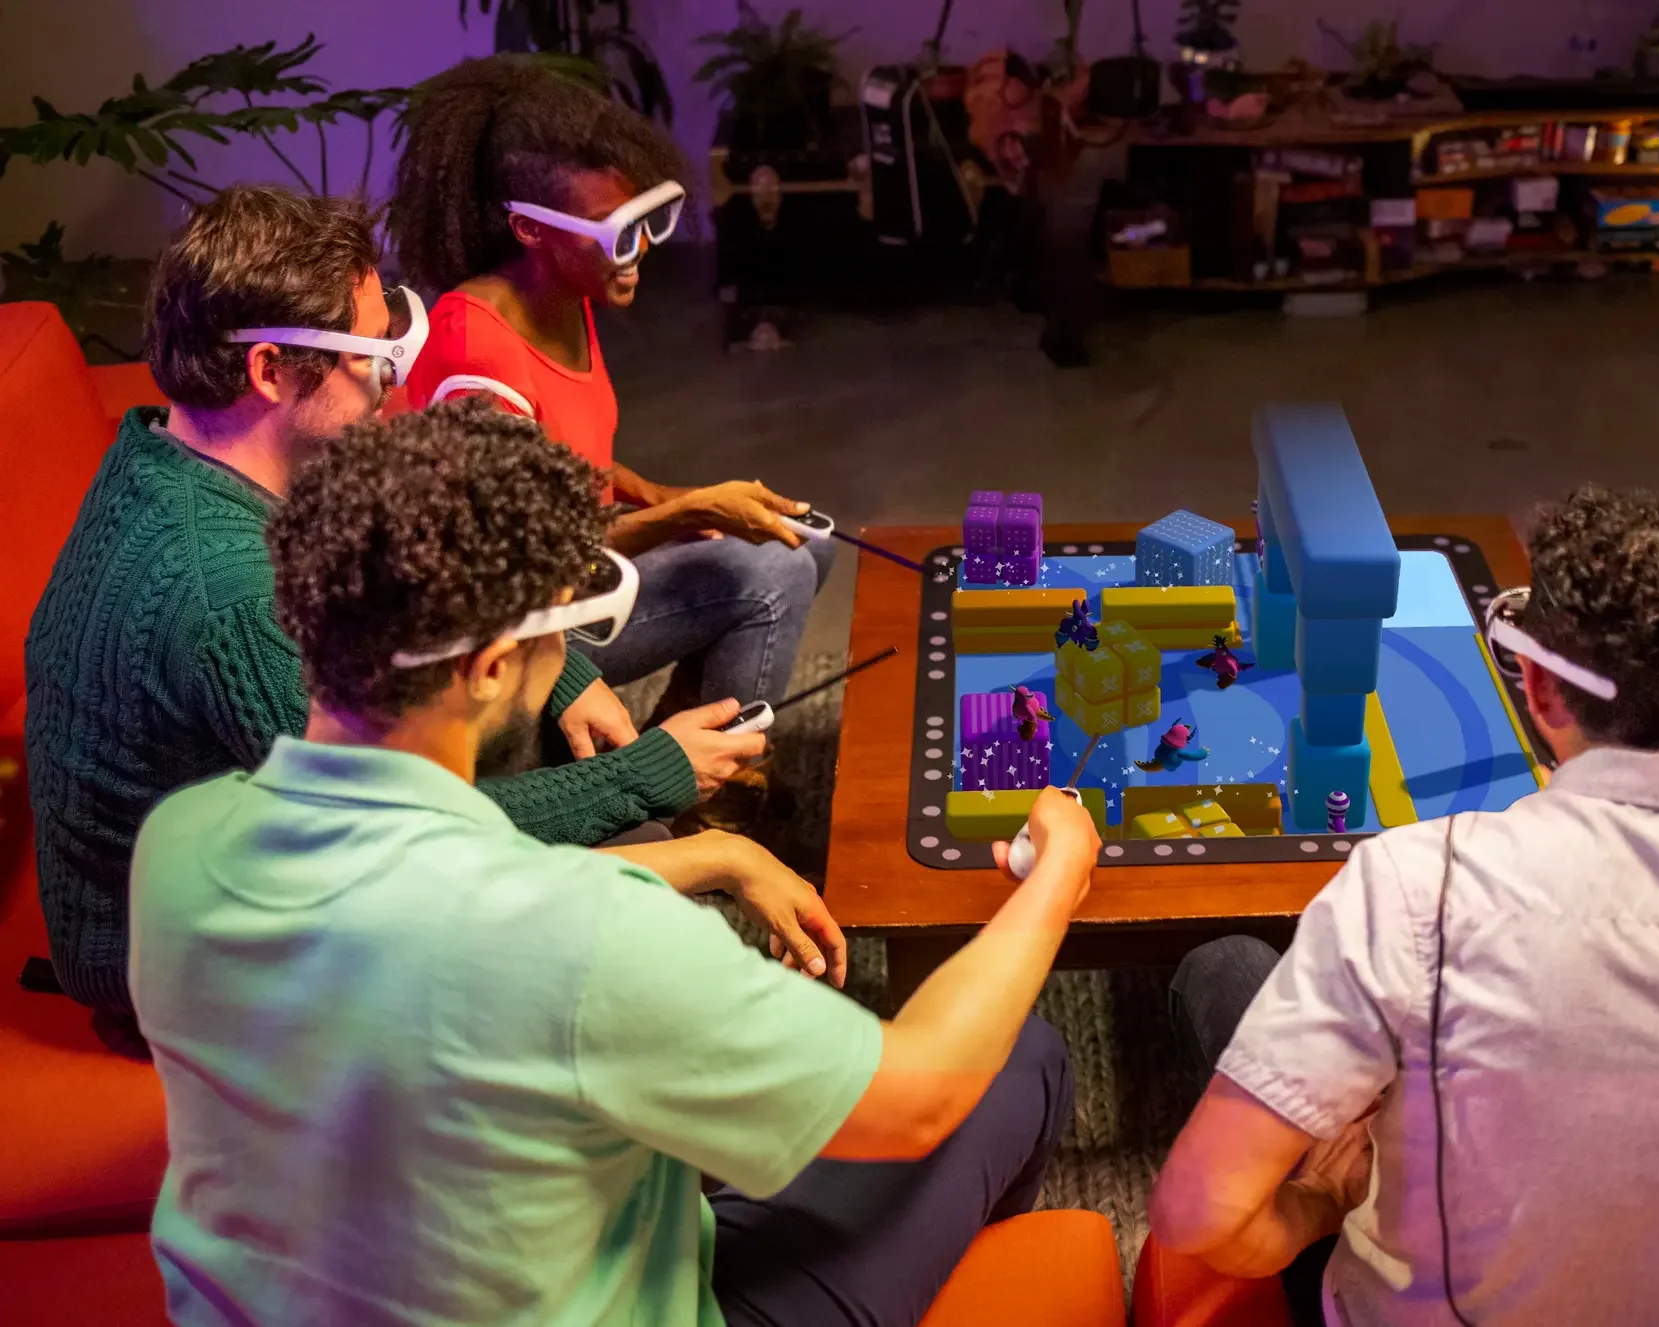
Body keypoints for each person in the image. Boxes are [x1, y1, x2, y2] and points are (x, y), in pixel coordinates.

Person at [130, 401, 1101, 1327]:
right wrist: (1054, 874)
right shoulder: (585, 946)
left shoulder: (181, 842)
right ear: (491, 667)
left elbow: (425, 890)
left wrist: (701, 855)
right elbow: (917, 1095)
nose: (575, 651)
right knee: (1018, 1057)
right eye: (566, 628)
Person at [1148, 488, 1659, 1327]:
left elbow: (1197, 1211)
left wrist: (1317, 1208)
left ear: (1539, 685)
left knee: (1225, 970)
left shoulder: (1414, 886)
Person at [23, 186, 757, 1041]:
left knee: (575, 770)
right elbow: (403, 837)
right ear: (269, 369)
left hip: (247, 862)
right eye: (368, 354)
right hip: (204, 976)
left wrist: (566, 677)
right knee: (642, 883)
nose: (391, 379)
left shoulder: (168, 450)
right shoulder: (231, 595)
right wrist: (656, 775)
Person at [390, 55, 831, 715]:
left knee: (807, 543)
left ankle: (684, 729)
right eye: (622, 232)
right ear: (531, 229)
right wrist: (683, 515)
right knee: (773, 573)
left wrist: (646, 492)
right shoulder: (477, 358)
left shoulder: (564, 293)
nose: (645, 247)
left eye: (654, 219)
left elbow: (556, 447)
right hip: (523, 625)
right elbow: (520, 566)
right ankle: (718, 785)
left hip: (578, 557)